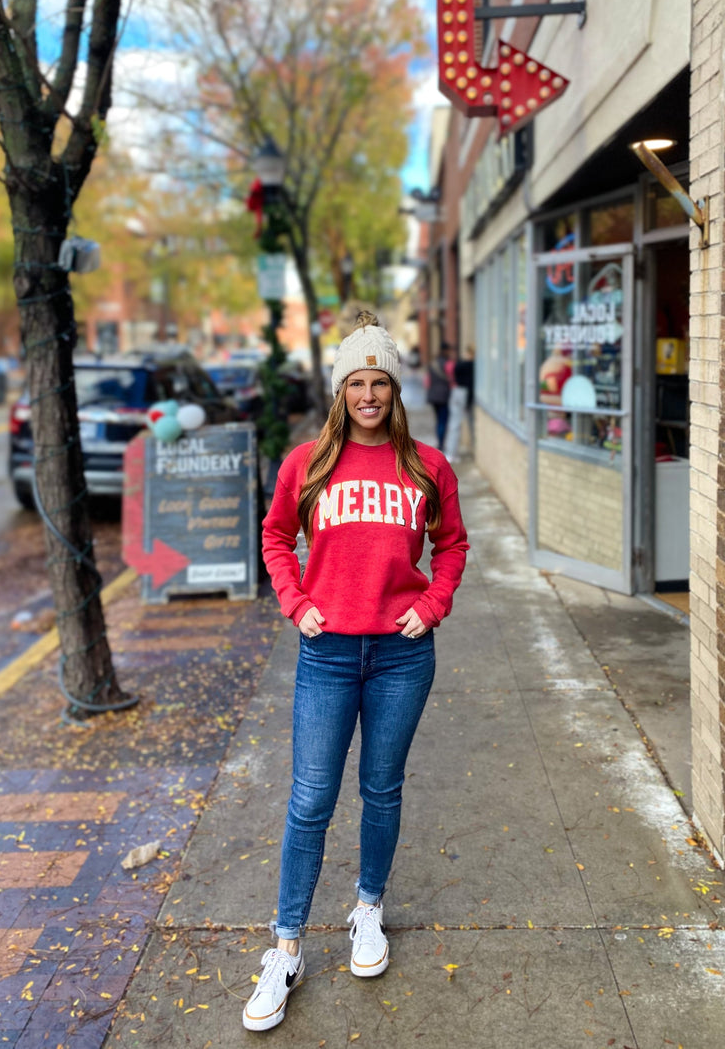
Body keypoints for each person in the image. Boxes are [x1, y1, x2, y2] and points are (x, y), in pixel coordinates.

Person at [244, 312, 469, 1032]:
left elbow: (453, 545)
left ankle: (367, 907)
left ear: (394, 390)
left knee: (381, 788)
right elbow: (276, 534)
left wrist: (432, 603)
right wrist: (294, 599)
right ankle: (286, 948)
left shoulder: (427, 466)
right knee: (311, 797)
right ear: (340, 392)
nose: (368, 394)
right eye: (356, 383)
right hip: (329, 654)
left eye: (380, 382)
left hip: (403, 655)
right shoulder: (305, 463)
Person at [444, 344, 475, 463]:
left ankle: (451, 452)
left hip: (457, 392)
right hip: (465, 394)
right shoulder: (473, 366)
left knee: (454, 423)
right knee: (464, 423)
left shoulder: (460, 364)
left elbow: (455, 376)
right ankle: (452, 453)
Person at [425, 343, 453, 451]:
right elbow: (452, 380)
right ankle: (441, 443)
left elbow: (427, 381)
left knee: (438, 419)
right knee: (443, 420)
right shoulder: (448, 364)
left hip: (433, 395)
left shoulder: (433, 363)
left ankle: (439, 441)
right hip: (444, 396)